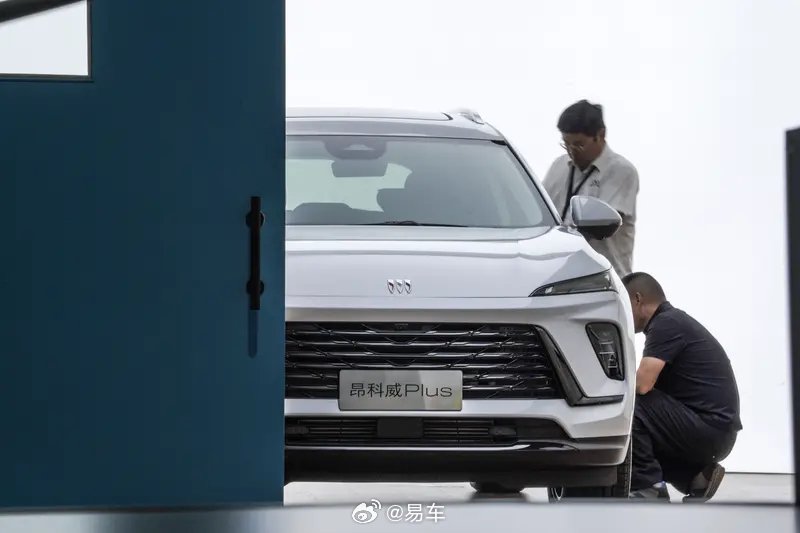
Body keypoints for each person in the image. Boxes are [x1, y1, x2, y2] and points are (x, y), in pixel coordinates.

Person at [621, 272, 742, 502]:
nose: (622, 315)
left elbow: (642, 384)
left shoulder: (666, 323)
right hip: (717, 431)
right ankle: (695, 478)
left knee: (629, 406)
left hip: (710, 430)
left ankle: (649, 487)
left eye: (624, 306)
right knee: (645, 432)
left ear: (637, 299)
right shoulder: (673, 322)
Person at [542, 100, 640, 278]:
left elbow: (598, 227)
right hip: (558, 276)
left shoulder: (621, 171)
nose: (572, 151)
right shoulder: (558, 166)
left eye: (579, 145)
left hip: (603, 279)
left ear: (601, 135)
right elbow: (539, 213)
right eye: (566, 144)